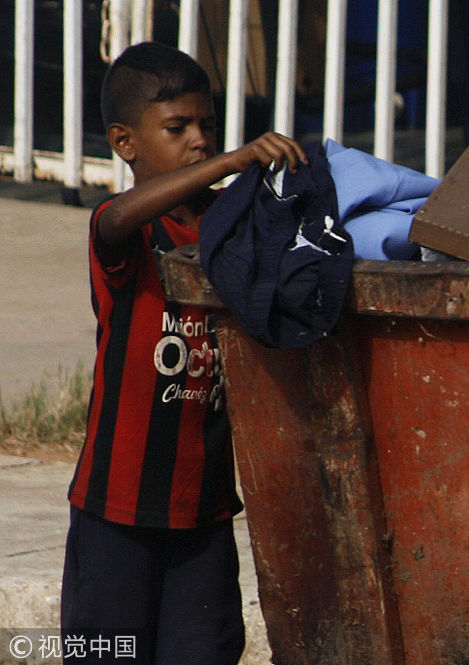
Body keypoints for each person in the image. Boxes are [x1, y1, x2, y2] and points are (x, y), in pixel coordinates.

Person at [61, 41, 306, 665]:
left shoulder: (226, 224)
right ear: (125, 142)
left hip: (203, 507)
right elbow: (116, 216)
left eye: (208, 127)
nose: (198, 141)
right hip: (118, 504)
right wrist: (233, 158)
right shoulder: (126, 228)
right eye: (178, 128)